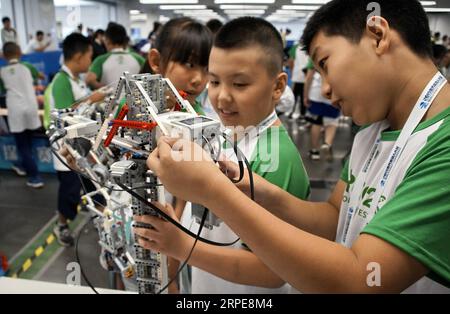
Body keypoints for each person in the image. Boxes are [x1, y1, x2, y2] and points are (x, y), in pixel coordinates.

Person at [144, 0, 450, 293]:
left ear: (378, 36)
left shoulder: (443, 142)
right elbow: (334, 221)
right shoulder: (370, 133)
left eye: (325, 64)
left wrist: (212, 191)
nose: (325, 89)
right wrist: (255, 189)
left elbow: (363, 280)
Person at [135, 17, 310, 295]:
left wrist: (180, 246)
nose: (222, 97)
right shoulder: (225, 133)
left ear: (277, 87)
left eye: (239, 85)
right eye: (214, 81)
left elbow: (272, 272)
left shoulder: (276, 157)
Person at [44, 33, 104, 247]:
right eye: (89, 55)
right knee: (69, 192)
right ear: (78, 56)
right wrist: (92, 98)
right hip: (66, 150)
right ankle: (61, 224)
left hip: (81, 146)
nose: (91, 60)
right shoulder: (61, 82)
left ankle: (103, 221)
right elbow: (65, 113)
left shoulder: (75, 79)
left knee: (94, 184)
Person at [0, 42, 45, 188]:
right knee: (29, 141)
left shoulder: (2, 72)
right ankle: (22, 165)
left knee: (22, 145)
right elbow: (40, 76)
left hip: (15, 110)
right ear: (19, 52)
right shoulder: (28, 66)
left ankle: (35, 177)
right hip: (31, 108)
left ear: (4, 55)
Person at [86, 23, 145, 89]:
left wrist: (107, 88)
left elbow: (89, 80)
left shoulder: (100, 60)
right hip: (134, 98)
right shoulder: (138, 58)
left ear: (107, 40)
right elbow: (150, 77)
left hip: (110, 98)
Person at [304, 59, 341, 162]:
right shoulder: (338, 53)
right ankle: (327, 143)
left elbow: (309, 77)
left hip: (316, 93)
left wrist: (305, 95)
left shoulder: (315, 55)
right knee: (332, 122)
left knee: (316, 122)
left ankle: (314, 151)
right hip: (332, 93)